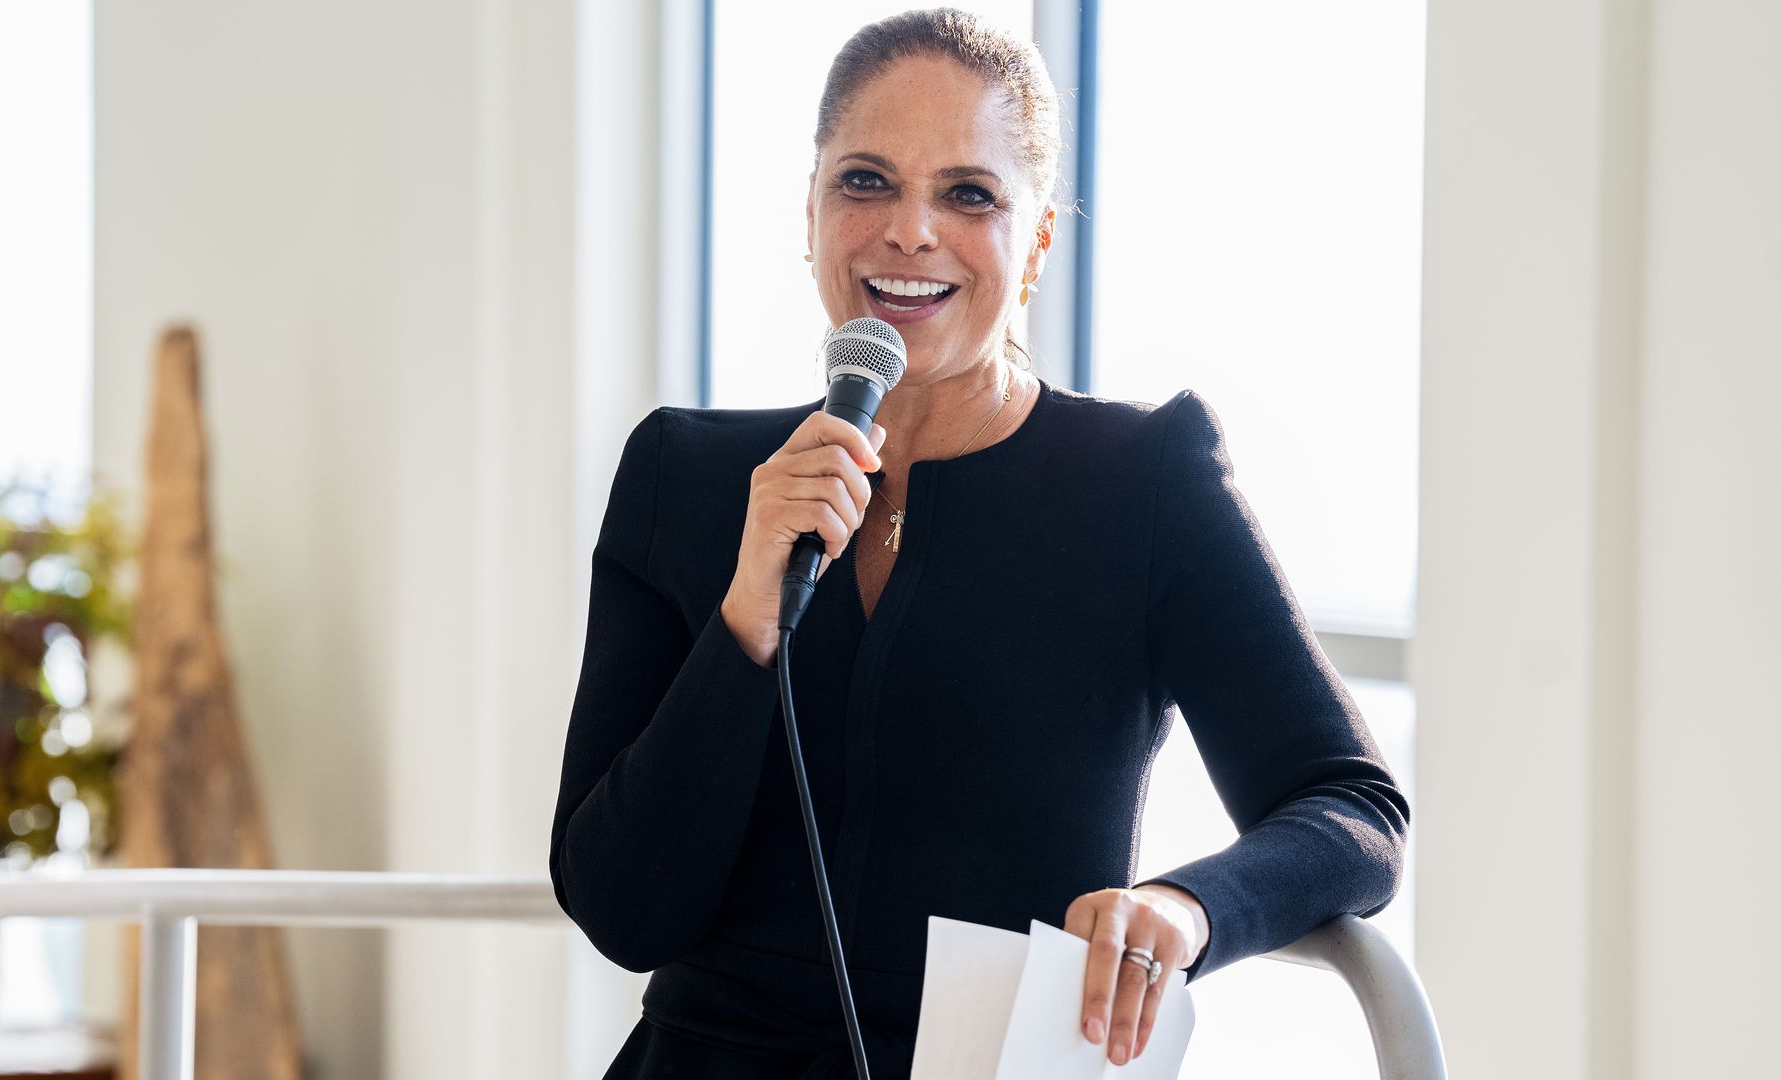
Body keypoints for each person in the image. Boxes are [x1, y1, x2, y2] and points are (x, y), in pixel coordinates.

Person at [549, 9, 1408, 1077]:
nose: (911, 231)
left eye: (969, 194)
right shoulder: (685, 475)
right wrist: (746, 619)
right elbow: (621, 908)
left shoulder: (1146, 482)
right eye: (866, 181)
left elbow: (1353, 806)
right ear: (810, 213)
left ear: (1036, 240)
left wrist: (1187, 910)